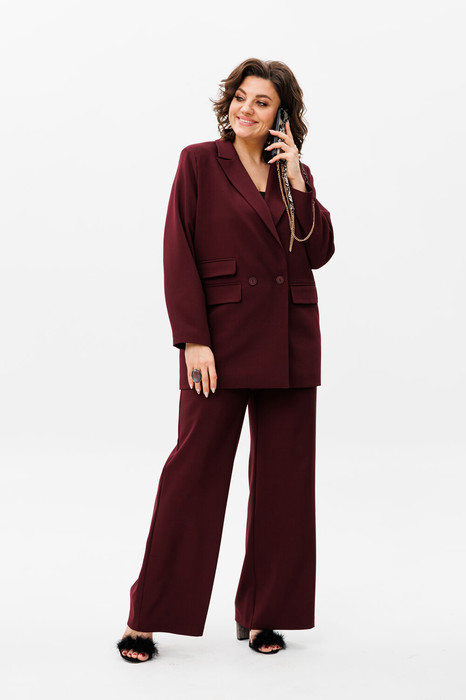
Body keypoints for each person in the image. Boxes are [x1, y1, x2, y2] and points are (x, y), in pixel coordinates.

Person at [116, 57, 335, 662]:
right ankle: (147, 616)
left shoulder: (294, 175)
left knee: (285, 485)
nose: (247, 109)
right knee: (193, 475)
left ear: (282, 116)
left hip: (290, 341)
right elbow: (178, 249)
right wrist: (192, 338)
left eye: (262, 102)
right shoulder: (197, 162)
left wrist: (298, 180)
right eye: (241, 97)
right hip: (219, 343)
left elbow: (319, 250)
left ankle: (266, 613)